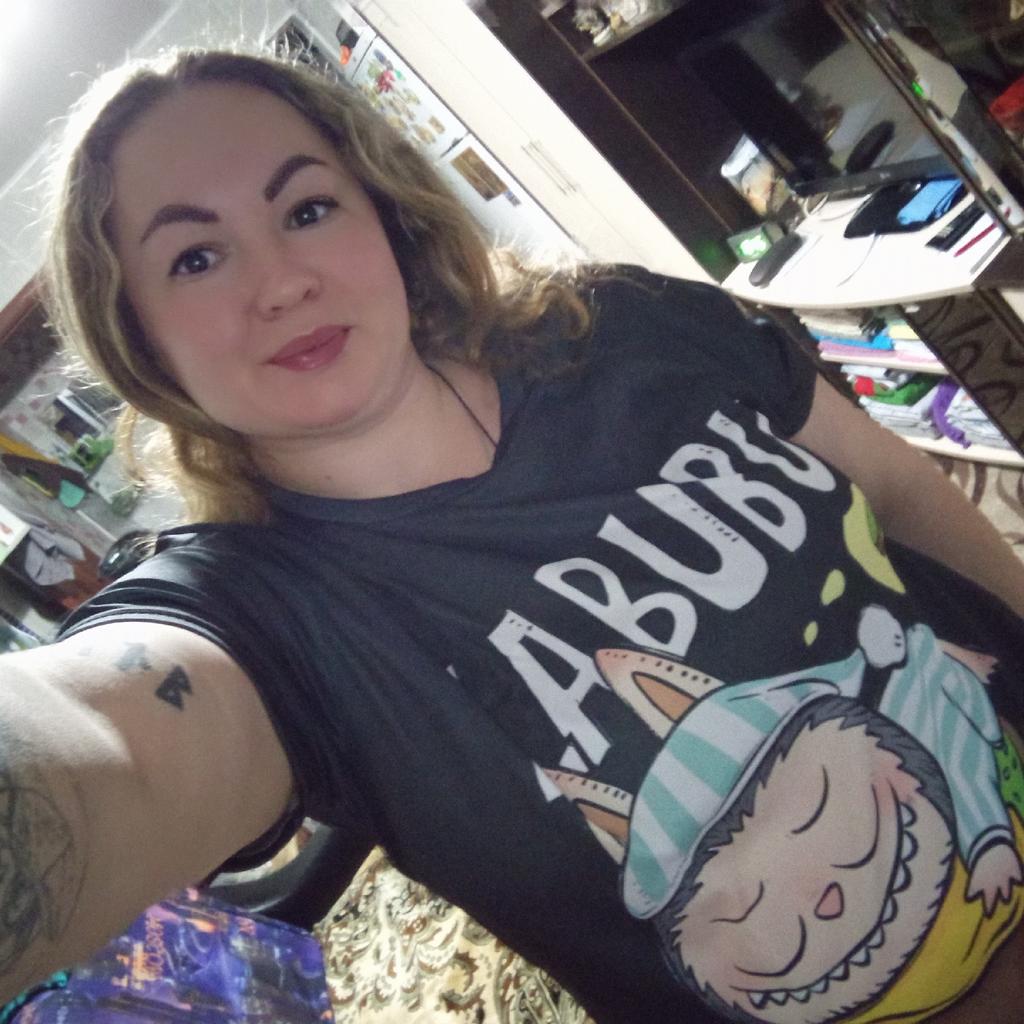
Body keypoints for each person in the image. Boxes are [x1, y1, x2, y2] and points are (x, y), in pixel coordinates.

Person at [3, 44, 1023, 1024]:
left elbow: (897, 491)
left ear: (386, 213)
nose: (279, 283)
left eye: (307, 209)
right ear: (141, 339)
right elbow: (102, 758)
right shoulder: (265, 621)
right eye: (194, 257)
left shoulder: (624, 324)